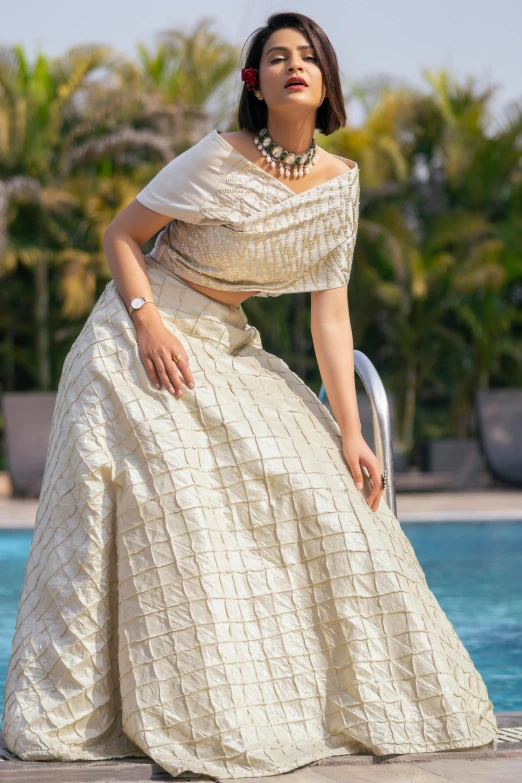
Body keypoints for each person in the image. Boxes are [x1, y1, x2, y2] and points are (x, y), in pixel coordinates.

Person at [2, 11, 497, 781]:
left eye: (307, 56)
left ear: (326, 79)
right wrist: (148, 327)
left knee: (323, 488)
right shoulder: (216, 157)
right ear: (254, 84)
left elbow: (329, 316)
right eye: (275, 57)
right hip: (138, 338)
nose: (293, 65)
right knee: (183, 497)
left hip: (227, 342)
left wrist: (353, 428)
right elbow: (122, 237)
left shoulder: (338, 185)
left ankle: (330, 701)